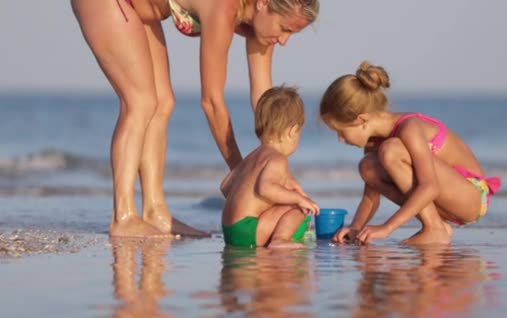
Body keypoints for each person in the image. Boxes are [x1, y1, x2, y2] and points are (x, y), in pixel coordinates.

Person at [70, 0, 320, 238]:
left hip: (141, 12)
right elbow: (211, 102)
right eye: (284, 28)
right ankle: (122, 217)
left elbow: (266, 101)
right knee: (140, 102)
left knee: (163, 102)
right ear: (264, 2)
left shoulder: (262, 25)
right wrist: (242, 172)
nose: (284, 40)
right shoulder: (225, 8)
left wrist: (275, 169)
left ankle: (155, 212)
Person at [319, 61, 501, 245]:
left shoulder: (409, 128)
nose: (340, 139)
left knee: (391, 151)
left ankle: (434, 229)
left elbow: (430, 187)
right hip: (446, 200)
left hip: (472, 197)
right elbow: (370, 197)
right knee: (367, 167)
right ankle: (437, 225)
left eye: (341, 132)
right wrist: (355, 228)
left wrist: (387, 227)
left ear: (362, 120)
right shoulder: (374, 143)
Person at [220, 86, 319, 248]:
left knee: (287, 204)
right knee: (299, 210)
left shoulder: (252, 157)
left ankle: (274, 238)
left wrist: (254, 202)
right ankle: (280, 240)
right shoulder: (277, 159)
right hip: (248, 231)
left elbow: (225, 187)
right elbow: (265, 189)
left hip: (229, 230)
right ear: (293, 131)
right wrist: (300, 199)